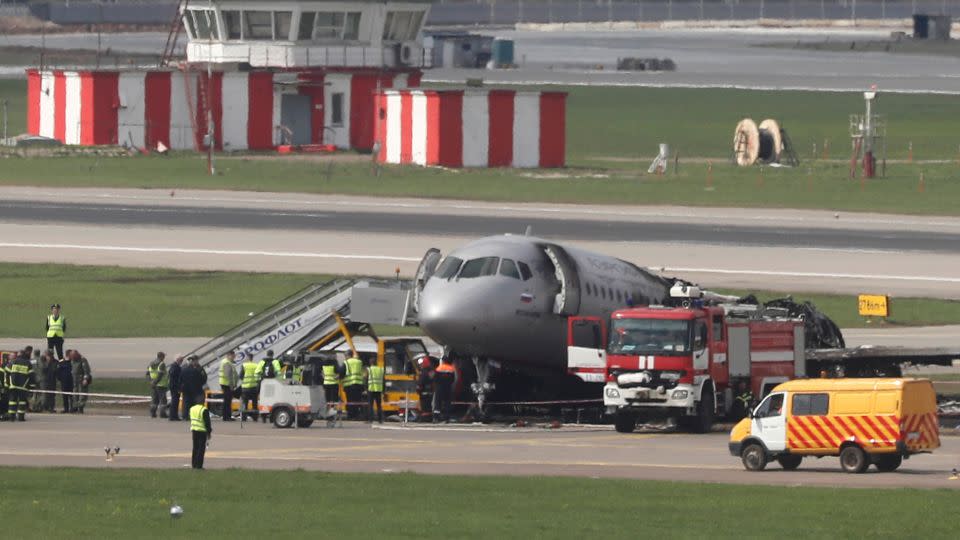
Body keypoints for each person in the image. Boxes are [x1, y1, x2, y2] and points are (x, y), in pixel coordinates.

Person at [7, 348, 37, 421]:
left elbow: (7, 371)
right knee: (22, 402)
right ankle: (21, 417)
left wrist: (7, 383)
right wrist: (32, 386)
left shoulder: (13, 361)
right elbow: (31, 376)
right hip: (23, 386)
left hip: (13, 385)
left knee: (12, 401)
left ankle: (11, 417)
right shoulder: (27, 363)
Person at [189, 402, 212, 470]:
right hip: (202, 431)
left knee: (195, 448)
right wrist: (209, 432)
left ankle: (194, 464)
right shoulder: (204, 410)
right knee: (201, 449)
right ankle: (199, 465)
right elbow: (207, 422)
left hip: (194, 430)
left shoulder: (192, 408)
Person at [146, 352, 169, 418]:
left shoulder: (151, 364)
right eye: (164, 356)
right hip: (161, 385)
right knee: (163, 400)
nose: (164, 358)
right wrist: (155, 382)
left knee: (154, 400)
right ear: (161, 357)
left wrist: (151, 382)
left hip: (154, 385)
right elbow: (160, 375)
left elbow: (147, 374)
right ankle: (162, 414)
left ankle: (153, 413)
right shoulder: (162, 364)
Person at [433, 357, 456, 423]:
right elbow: (453, 379)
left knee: (437, 402)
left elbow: (435, 379)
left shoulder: (439, 368)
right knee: (447, 403)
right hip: (448, 388)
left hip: (439, 388)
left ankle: (436, 418)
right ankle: (446, 417)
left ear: (443, 361)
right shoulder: (451, 369)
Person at [343, 353, 364, 419]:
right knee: (357, 400)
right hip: (359, 384)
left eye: (345, 356)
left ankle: (351, 415)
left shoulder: (346, 362)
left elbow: (342, 372)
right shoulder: (359, 362)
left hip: (349, 385)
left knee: (350, 401)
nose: (345, 357)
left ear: (348, 355)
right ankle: (357, 415)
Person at [218, 352, 238, 422]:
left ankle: (227, 416)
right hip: (226, 384)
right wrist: (231, 385)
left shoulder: (227, 362)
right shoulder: (226, 363)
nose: (234, 357)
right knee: (227, 401)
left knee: (227, 400)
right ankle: (226, 417)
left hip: (225, 383)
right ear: (229, 355)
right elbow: (228, 375)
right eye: (233, 356)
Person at [416, 354, 435, 422]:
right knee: (429, 406)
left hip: (424, 393)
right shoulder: (432, 372)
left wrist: (418, 389)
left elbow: (421, 382)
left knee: (424, 407)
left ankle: (424, 419)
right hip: (430, 392)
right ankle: (429, 418)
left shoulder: (424, 372)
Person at [240, 355, 259, 421]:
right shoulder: (256, 365)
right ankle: (255, 417)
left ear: (248, 358)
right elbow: (258, 376)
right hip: (254, 387)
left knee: (244, 403)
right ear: (252, 358)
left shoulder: (244, 365)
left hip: (245, 388)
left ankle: (243, 417)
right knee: (254, 403)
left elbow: (241, 376)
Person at [366, 359, 385, 424]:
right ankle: (380, 420)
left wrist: (365, 389)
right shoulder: (380, 370)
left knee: (370, 405)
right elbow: (383, 380)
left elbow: (366, 379)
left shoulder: (369, 369)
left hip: (371, 389)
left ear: (370, 363)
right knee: (379, 405)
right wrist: (383, 391)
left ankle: (370, 420)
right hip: (379, 390)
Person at [168, 354, 184, 421]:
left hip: (173, 386)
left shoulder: (173, 366)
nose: (182, 362)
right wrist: (178, 388)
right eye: (181, 360)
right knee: (175, 401)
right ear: (178, 360)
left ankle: (173, 416)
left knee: (174, 401)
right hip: (175, 387)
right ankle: (173, 416)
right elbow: (177, 379)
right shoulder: (176, 367)